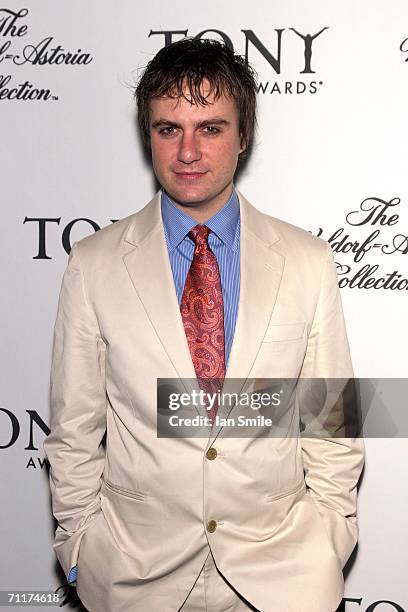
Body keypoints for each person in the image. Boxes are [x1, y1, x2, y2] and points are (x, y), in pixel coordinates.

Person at [44, 38, 365, 612]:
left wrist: (329, 539)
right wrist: (79, 549)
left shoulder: (308, 261)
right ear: (149, 137)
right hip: (134, 576)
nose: (188, 151)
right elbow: (74, 430)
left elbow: (333, 418)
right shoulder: (92, 264)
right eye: (169, 129)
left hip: (282, 576)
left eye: (211, 128)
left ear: (243, 138)